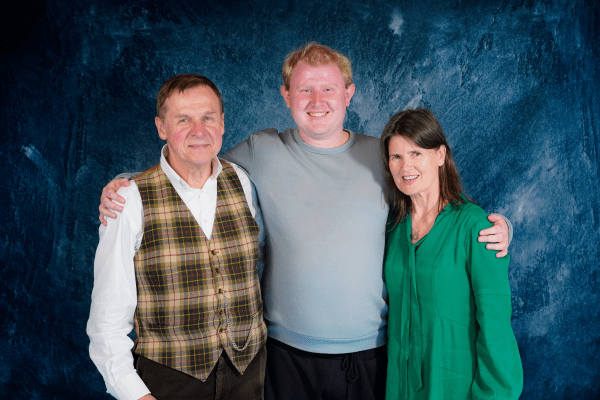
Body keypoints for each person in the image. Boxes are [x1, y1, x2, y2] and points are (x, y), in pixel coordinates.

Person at [98, 43, 512, 400]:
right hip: (284, 357)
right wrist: (125, 185)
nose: (317, 100)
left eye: (328, 88)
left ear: (348, 93)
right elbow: (195, 165)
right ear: (286, 95)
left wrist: (495, 226)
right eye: (304, 89)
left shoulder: (383, 156)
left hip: (370, 353)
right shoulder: (261, 152)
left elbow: (430, 202)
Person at [87, 74, 267, 400]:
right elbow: (107, 323)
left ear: (222, 123)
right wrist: (135, 395)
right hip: (169, 382)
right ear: (161, 127)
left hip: (249, 376)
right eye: (183, 120)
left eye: (207, 118)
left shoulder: (242, 182)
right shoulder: (128, 201)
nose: (199, 131)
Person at [380, 108, 523, 399]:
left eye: (416, 153)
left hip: (456, 387)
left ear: (441, 155)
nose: (405, 166)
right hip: (400, 387)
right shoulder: (393, 227)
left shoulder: (475, 227)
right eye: (396, 157)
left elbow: (495, 326)